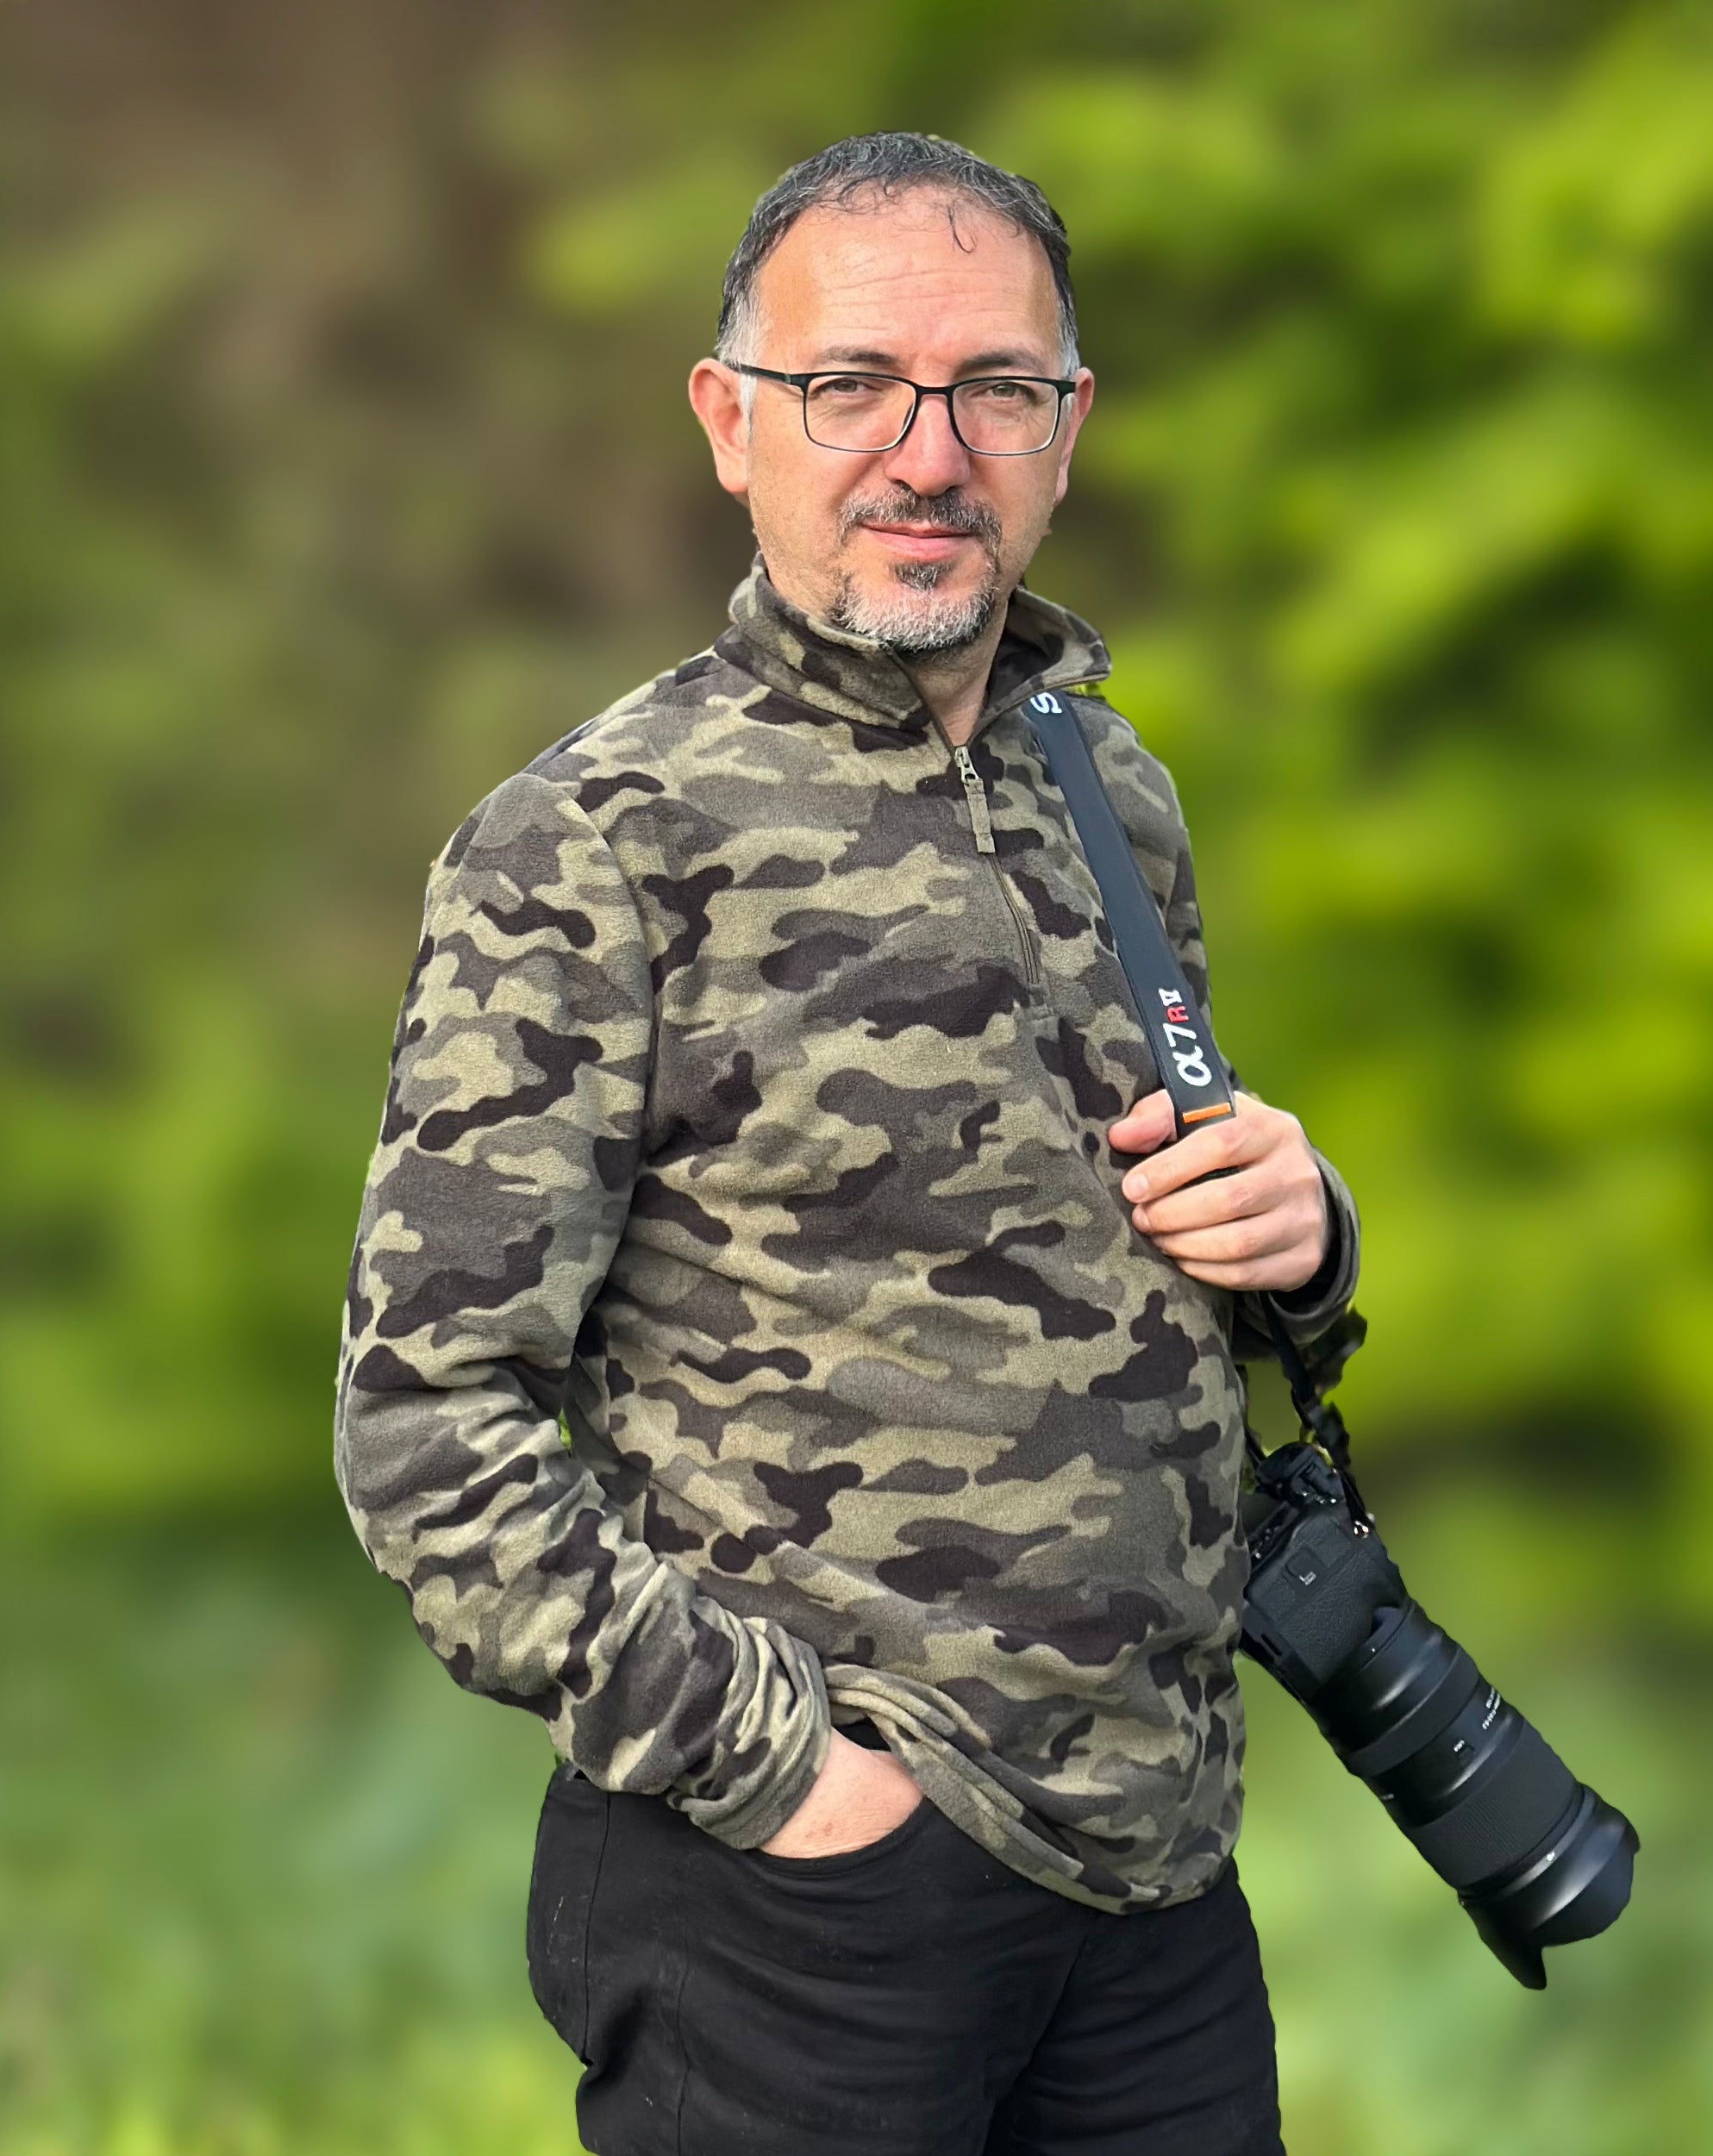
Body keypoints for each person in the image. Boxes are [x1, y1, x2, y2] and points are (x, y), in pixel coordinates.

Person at [334, 130, 1358, 2156]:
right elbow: (422, 1421)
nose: (928, 451)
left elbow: (1147, 1284)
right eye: (850, 385)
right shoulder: (593, 844)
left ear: (1068, 430)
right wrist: (790, 1779)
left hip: (1154, 1880)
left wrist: (1305, 1240)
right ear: (731, 422)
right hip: (801, 1907)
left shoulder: (1112, 793)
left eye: (994, 388)